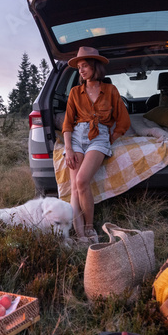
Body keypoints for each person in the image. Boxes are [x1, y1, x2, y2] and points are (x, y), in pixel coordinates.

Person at [61, 46, 130, 242]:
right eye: (79, 67)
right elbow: (67, 123)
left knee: (82, 180)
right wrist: (68, 149)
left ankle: (90, 227)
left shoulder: (110, 90)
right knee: (75, 187)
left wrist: (110, 138)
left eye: (85, 66)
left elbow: (123, 121)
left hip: (99, 136)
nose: (81, 70)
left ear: (94, 67)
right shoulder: (75, 92)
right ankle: (81, 235)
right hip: (76, 137)